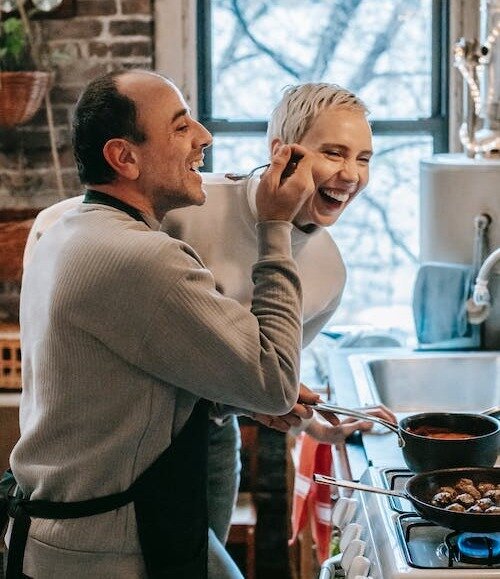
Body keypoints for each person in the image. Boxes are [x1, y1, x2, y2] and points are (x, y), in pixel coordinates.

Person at [5, 69, 320, 579]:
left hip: (65, 536)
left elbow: (114, 383)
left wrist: (230, 394)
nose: (204, 137)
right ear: (123, 157)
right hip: (111, 551)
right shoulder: (141, 259)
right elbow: (276, 381)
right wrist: (275, 225)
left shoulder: (66, 231)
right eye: (179, 127)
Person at [161, 82, 396, 554]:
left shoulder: (330, 275)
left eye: (364, 158)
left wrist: (313, 423)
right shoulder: (188, 207)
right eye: (334, 152)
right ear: (281, 152)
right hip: (138, 438)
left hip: (210, 443)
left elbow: (258, 381)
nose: (350, 174)